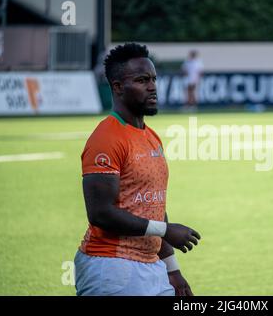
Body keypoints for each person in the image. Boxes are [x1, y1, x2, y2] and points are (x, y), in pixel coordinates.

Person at [74, 43, 201, 296]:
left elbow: (154, 208)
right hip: (111, 268)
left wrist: (172, 269)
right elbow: (100, 213)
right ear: (118, 87)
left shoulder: (151, 136)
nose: (152, 86)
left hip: (151, 266)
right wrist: (166, 230)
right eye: (142, 80)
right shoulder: (107, 138)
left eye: (153, 79)